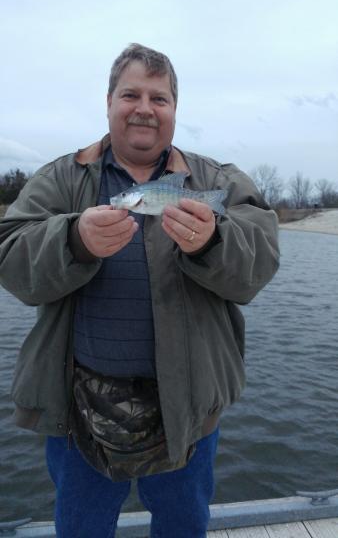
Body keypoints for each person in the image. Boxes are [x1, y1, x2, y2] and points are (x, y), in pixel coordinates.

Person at [0, 44, 279, 538]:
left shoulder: (217, 180)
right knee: (81, 527)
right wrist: (73, 240)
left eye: (160, 97)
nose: (145, 108)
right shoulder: (62, 177)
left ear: (175, 109)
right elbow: (9, 256)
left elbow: (259, 264)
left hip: (189, 411)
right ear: (109, 102)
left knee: (182, 525)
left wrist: (214, 241)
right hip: (77, 412)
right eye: (131, 94)